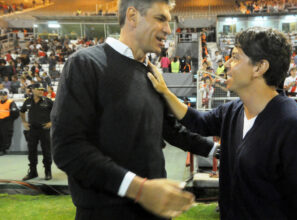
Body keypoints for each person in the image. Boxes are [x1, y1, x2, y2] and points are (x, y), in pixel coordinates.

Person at [148, 27, 297, 219]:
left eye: (235, 57)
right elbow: (198, 122)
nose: (227, 64)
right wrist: (165, 92)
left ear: (259, 67)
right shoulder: (233, 111)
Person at [51, 0, 216, 219]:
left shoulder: (151, 72)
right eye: (160, 19)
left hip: (155, 210)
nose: (168, 29)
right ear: (132, 16)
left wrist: (218, 151)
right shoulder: (86, 64)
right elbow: (67, 148)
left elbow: (172, 130)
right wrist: (139, 189)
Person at [20, 83, 53, 181]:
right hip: (32, 130)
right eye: (39, 89)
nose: (41, 91)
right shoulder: (28, 101)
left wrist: (51, 122)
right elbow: (22, 111)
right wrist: (24, 122)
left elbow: (57, 112)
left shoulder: (48, 101)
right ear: (33, 90)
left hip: (44, 129)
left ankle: (48, 171)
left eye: (42, 89)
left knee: (46, 151)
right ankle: (33, 172)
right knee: (31, 151)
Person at [0, 90, 19, 156]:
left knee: (6, 135)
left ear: (6, 96)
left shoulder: (10, 102)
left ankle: (4, 149)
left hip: (7, 122)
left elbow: (15, 112)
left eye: (4, 95)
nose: (2, 96)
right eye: (1, 95)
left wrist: (10, 119)